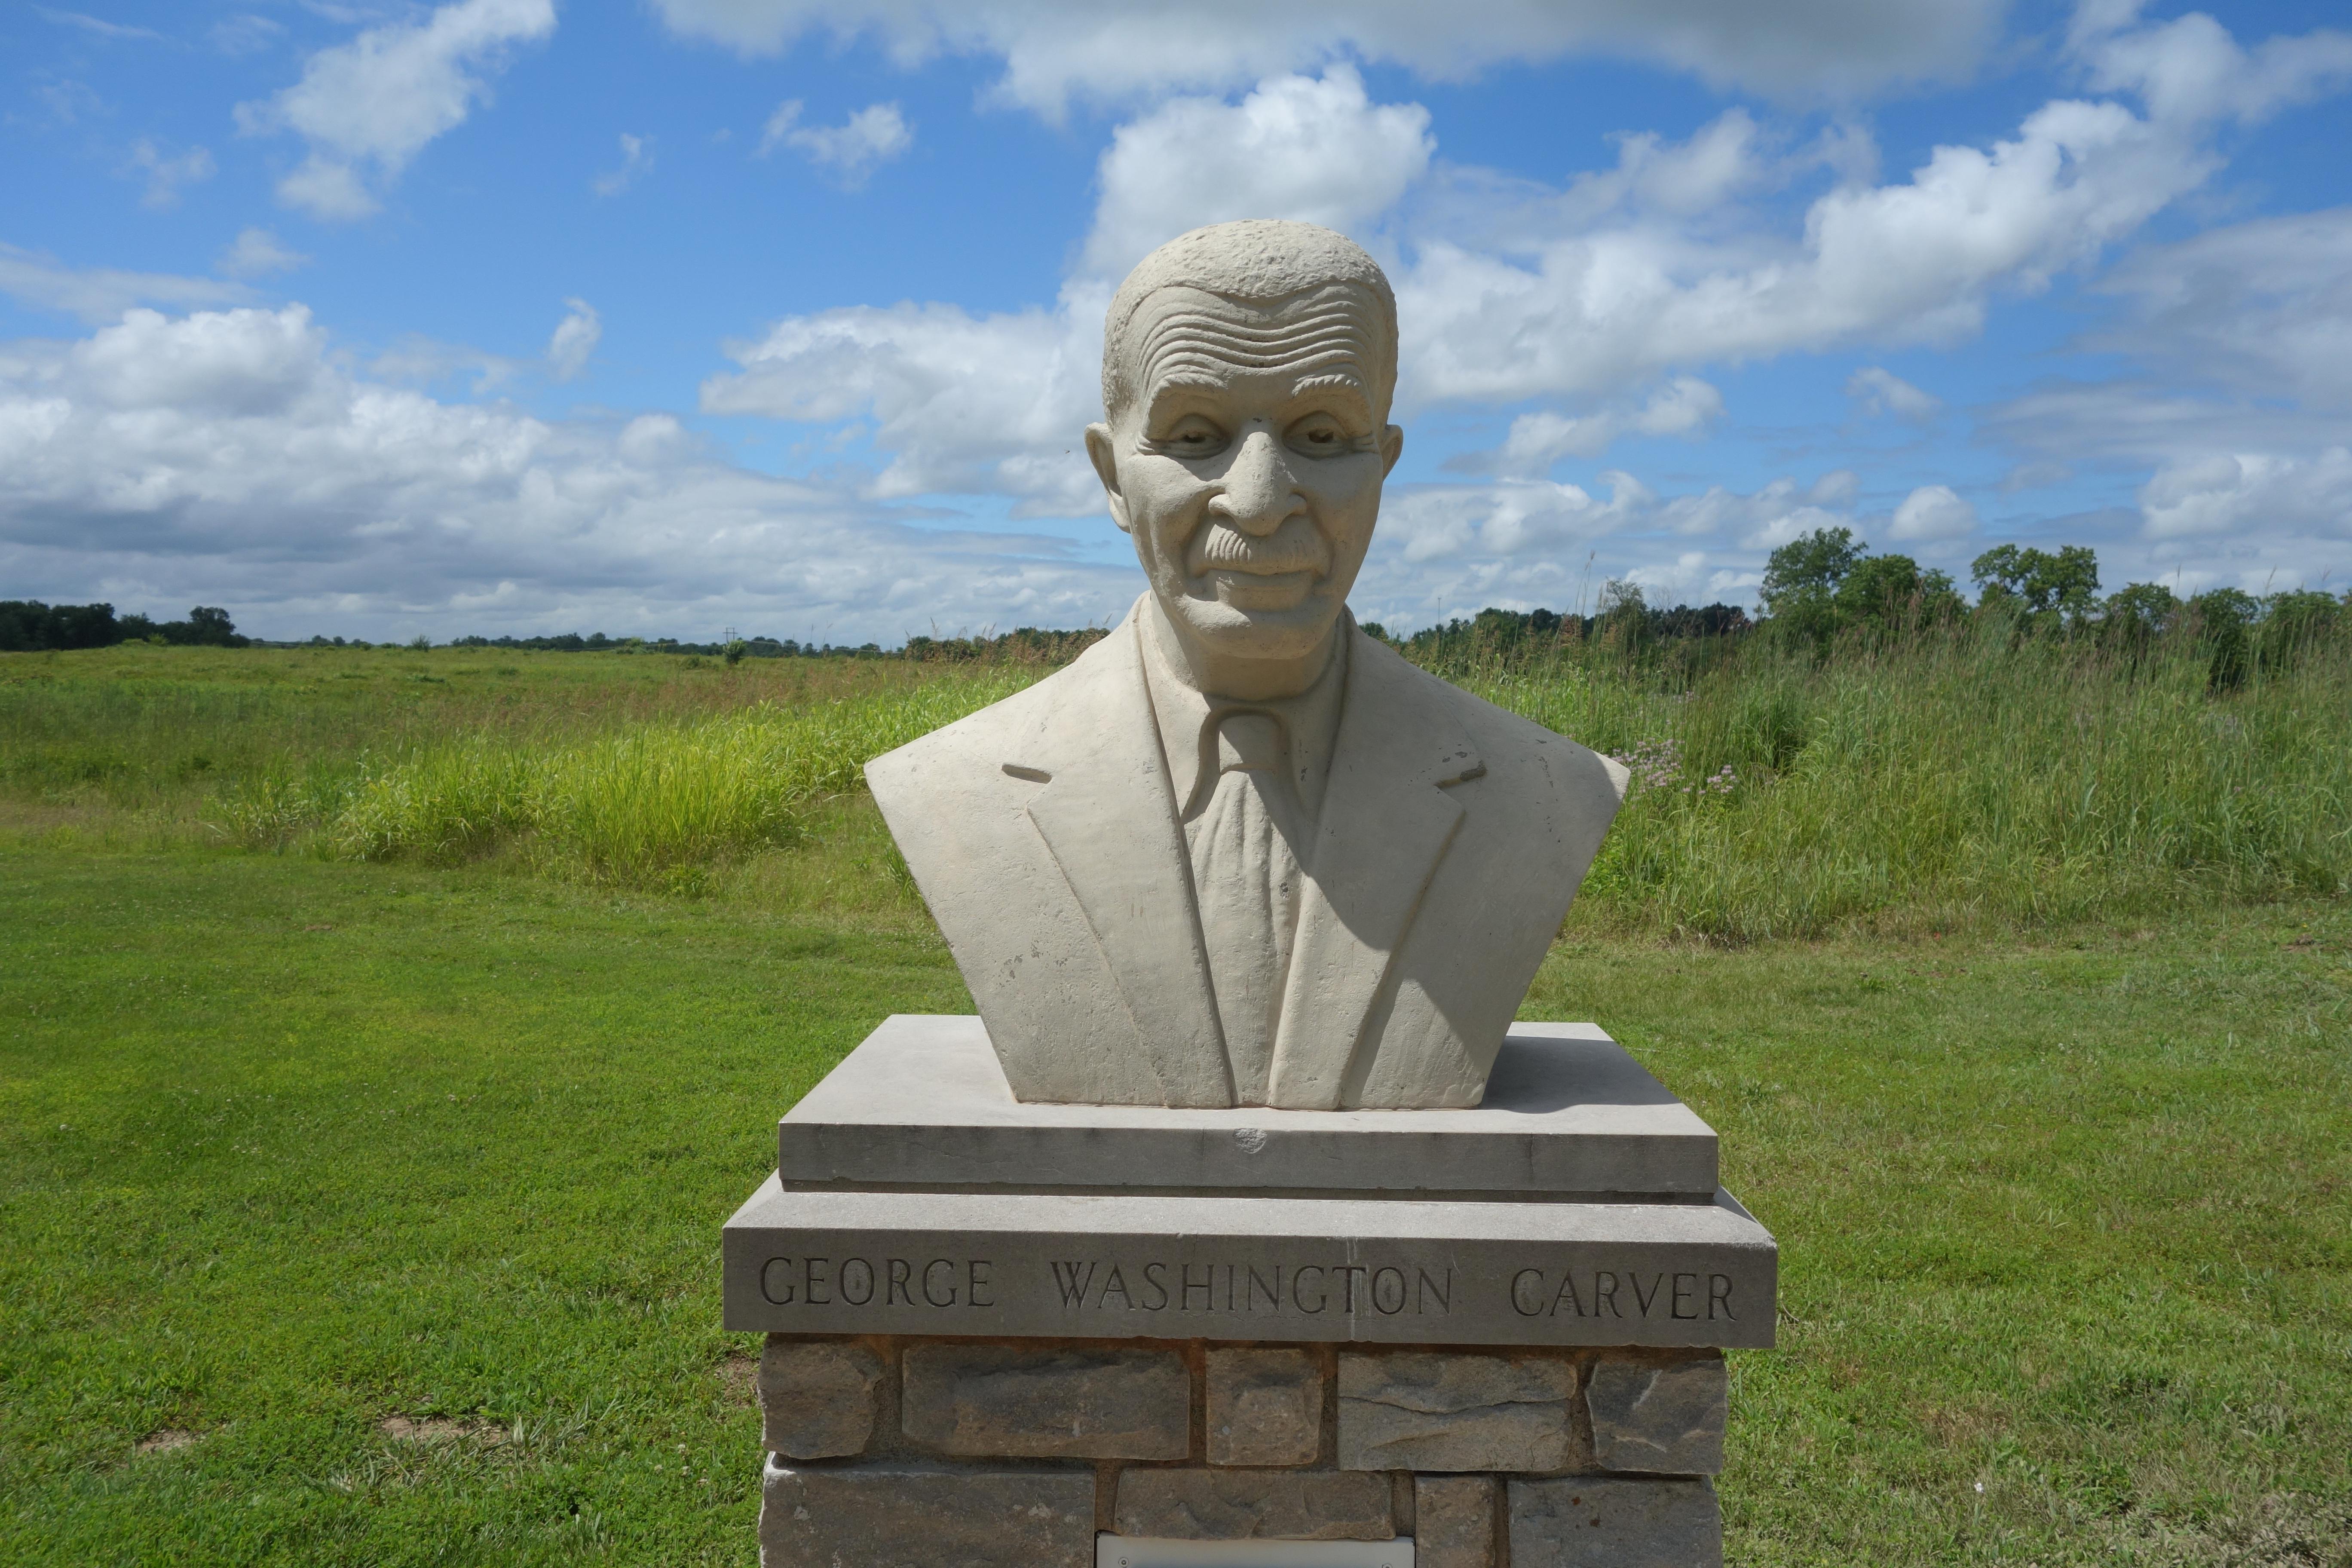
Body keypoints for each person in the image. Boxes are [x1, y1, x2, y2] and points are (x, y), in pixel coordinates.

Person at [868, 220, 1625, 1109]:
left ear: (1382, 465)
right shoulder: (956, 786)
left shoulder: (1545, 792)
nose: (1260, 502)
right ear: (1113, 478)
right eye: (1194, 436)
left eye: (1320, 434)